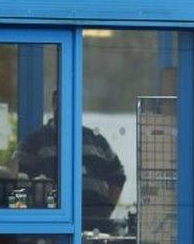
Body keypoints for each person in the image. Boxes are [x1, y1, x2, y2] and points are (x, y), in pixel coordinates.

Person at [15, 91, 125, 232]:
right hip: (52, 226)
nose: (65, 108)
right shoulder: (34, 141)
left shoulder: (96, 140)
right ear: (53, 105)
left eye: (71, 104)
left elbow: (118, 175)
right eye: (60, 103)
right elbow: (18, 180)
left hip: (96, 224)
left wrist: (106, 210)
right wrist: (24, 223)